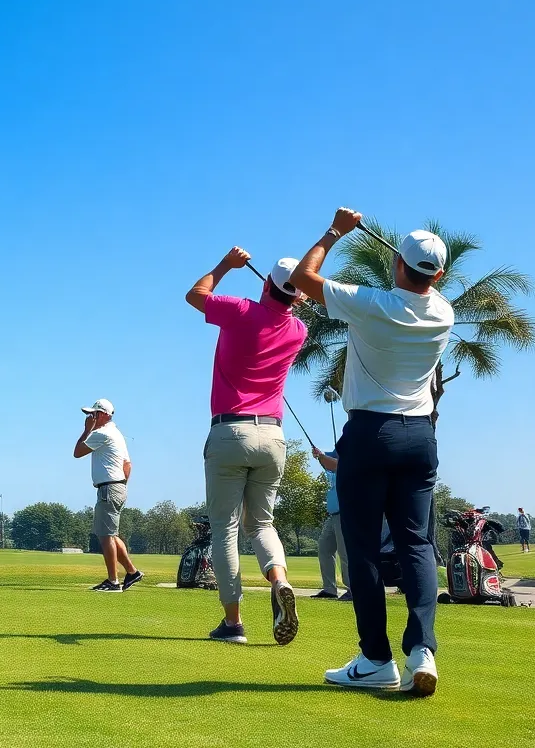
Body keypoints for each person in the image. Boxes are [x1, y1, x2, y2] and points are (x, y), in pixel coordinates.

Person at [291, 209, 453, 695]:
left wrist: (335, 231)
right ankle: (423, 649)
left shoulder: (371, 303)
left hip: (370, 434)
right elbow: (423, 281)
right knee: (415, 543)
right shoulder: (443, 311)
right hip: (421, 437)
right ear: (439, 276)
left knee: (361, 547)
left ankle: (376, 659)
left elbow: (303, 278)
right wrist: (416, 269)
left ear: (397, 265)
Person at [186, 248, 304, 645]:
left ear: (266, 283)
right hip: (273, 436)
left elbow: (195, 296)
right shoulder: (298, 331)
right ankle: (279, 579)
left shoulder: (240, 311)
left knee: (225, 528)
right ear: (299, 296)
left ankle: (233, 622)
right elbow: (283, 304)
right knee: (262, 524)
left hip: (229, 431)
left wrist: (224, 265)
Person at [73, 399, 143, 593]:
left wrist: (87, 430)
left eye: (94, 414)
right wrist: (121, 485)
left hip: (109, 488)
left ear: (105, 414)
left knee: (105, 537)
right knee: (111, 535)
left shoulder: (101, 433)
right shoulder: (117, 434)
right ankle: (132, 572)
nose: (91, 417)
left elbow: (77, 452)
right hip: (117, 488)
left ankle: (113, 581)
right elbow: (127, 465)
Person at [311, 448, 351, 601]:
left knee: (344, 552)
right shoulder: (333, 470)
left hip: (346, 513)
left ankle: (352, 589)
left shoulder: (345, 467)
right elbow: (328, 461)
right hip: (333, 513)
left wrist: (321, 457)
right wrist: (320, 456)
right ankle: (329, 588)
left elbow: (335, 463)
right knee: (324, 548)